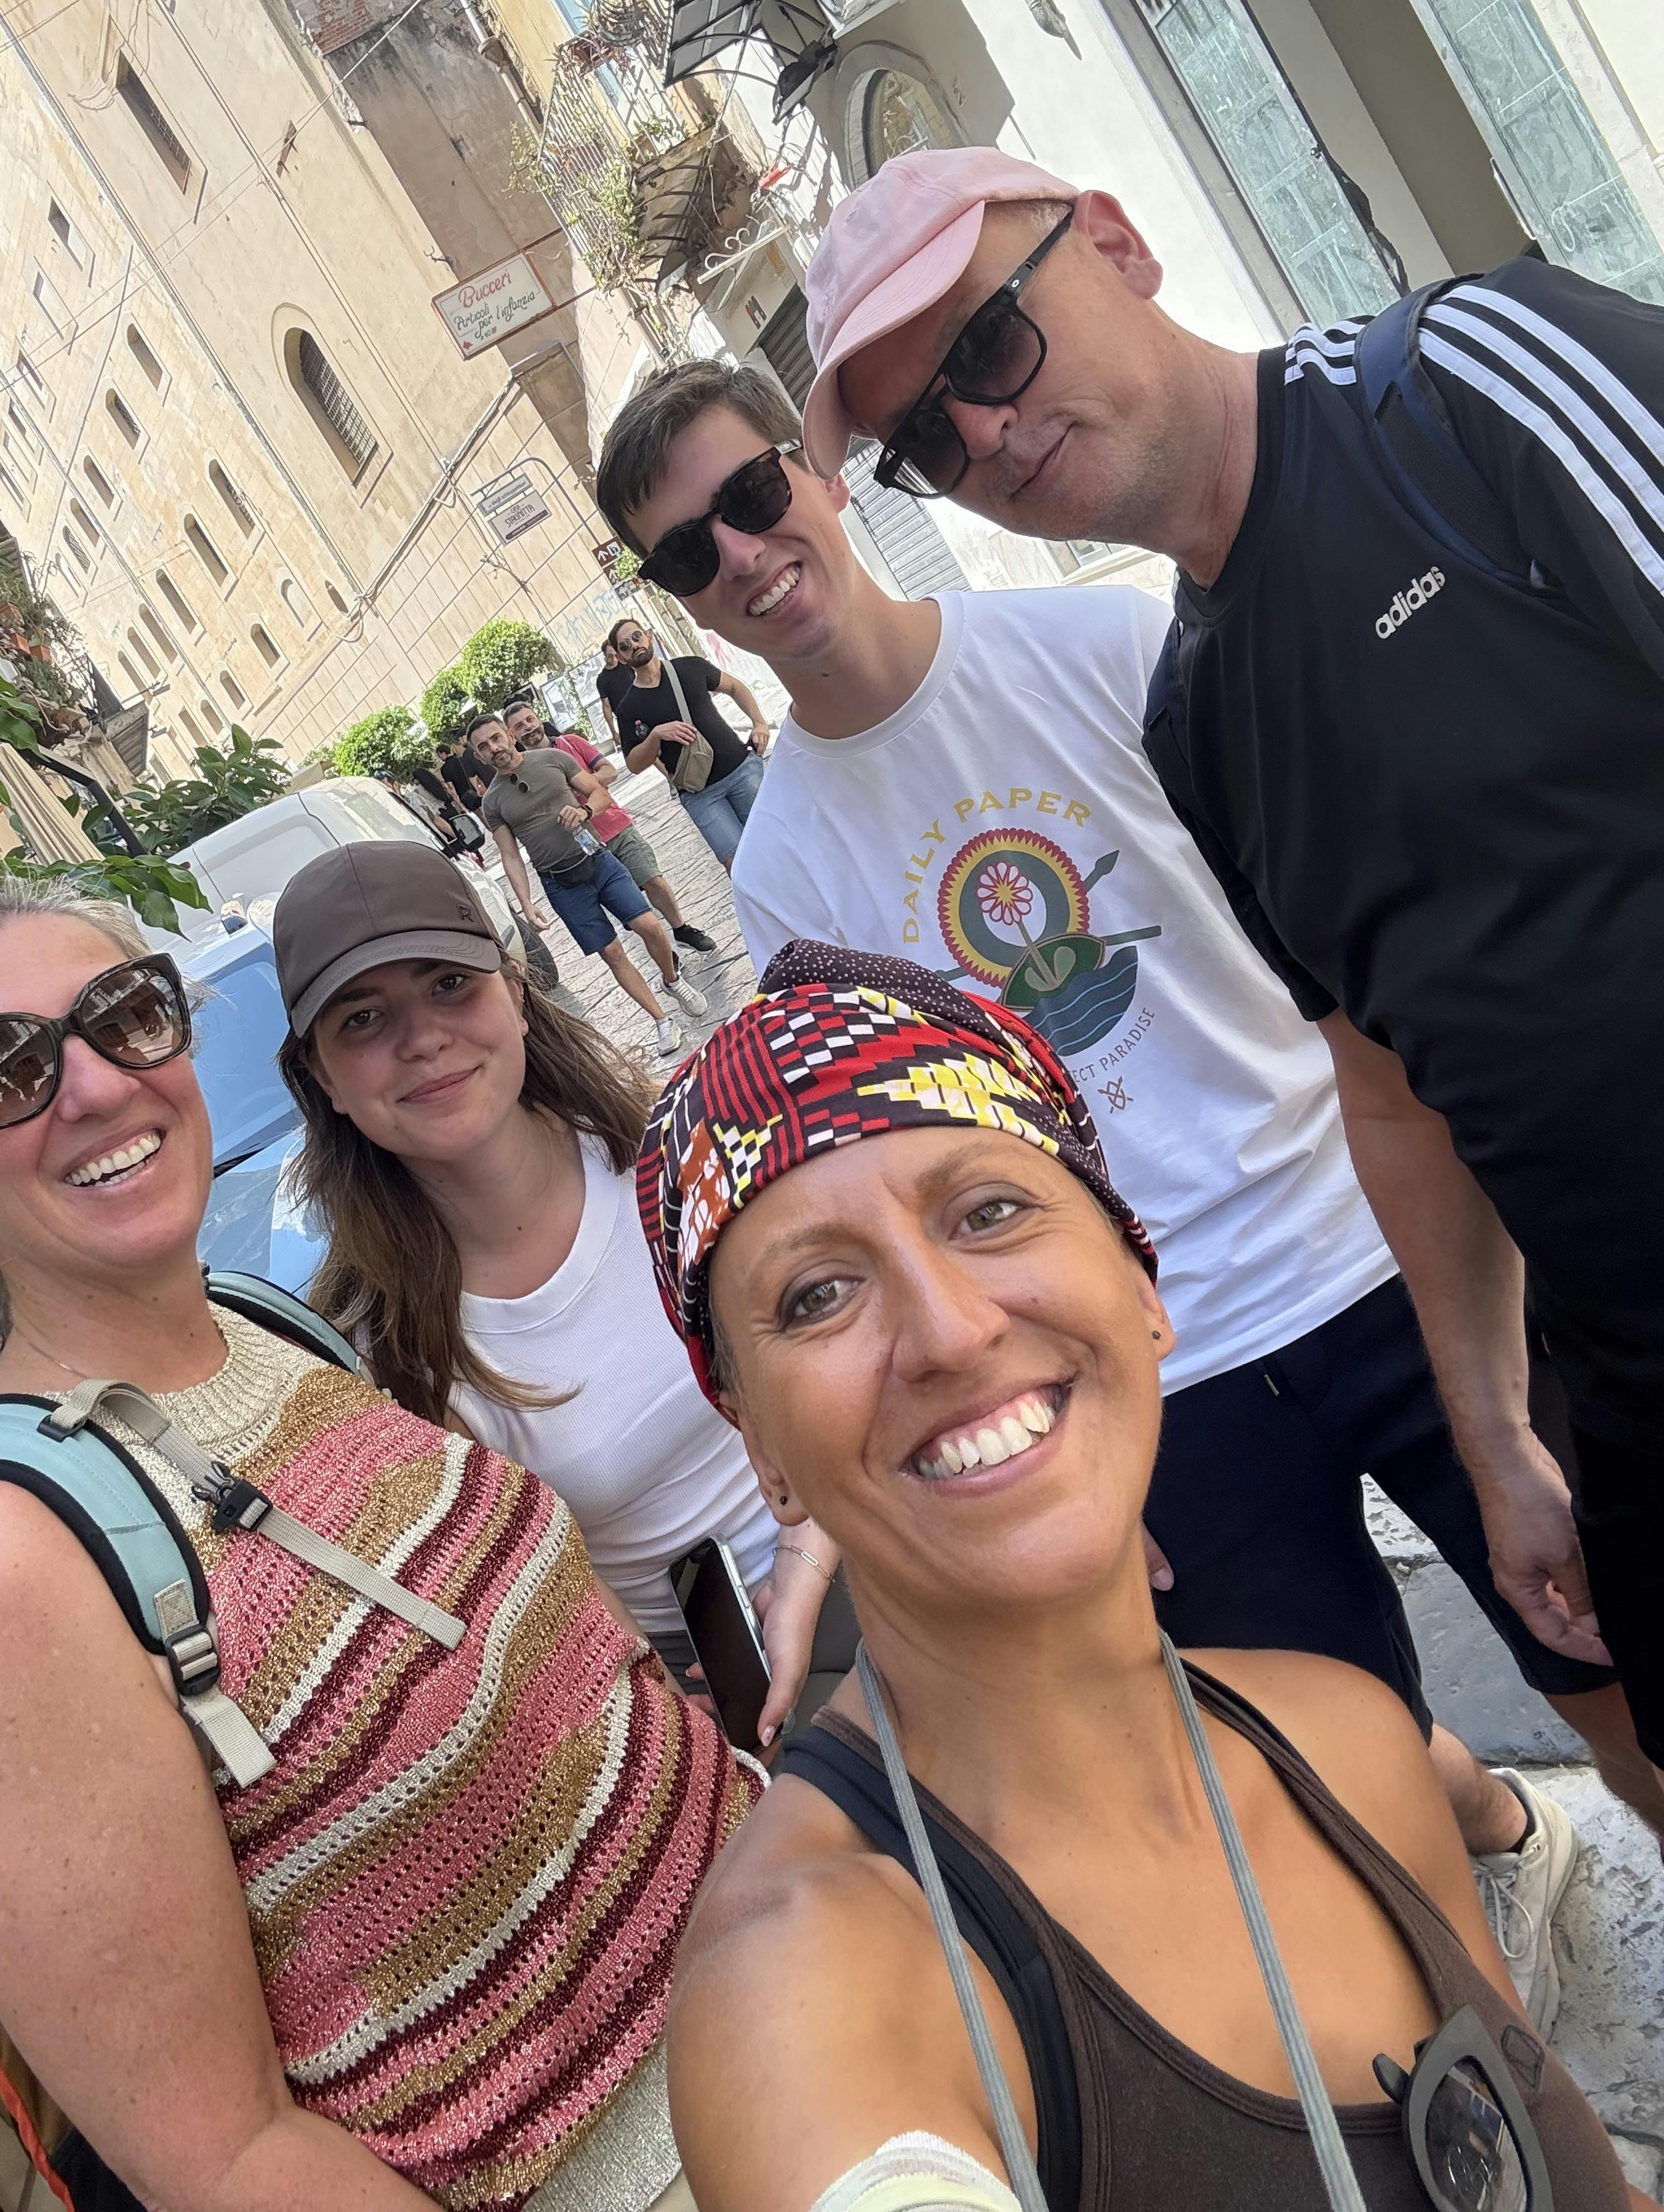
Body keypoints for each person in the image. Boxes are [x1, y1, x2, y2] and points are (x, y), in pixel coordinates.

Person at [594, 347, 1644, 2020]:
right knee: (1322, 1776)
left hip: (1376, 1246)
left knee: (1610, 1650)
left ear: (818, 473)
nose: (740, 553)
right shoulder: (783, 867)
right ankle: (1501, 1938)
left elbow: (1329, 929)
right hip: (1160, 1358)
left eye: (751, 494)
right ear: (673, 602)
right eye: (684, 552)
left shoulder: (1097, 645)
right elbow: (892, 1172)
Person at [804, 143, 1664, 1806]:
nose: (986, 434)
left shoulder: (1459, 386)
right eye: (930, 440)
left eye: (990, 346)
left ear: (1117, 242)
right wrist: (1497, 1436)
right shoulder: (1193, 718)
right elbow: (1392, 1087)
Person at [641, 946, 1637, 2212]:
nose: (949, 1329)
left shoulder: (1342, 1735)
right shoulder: (806, 1991)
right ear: (761, 1452)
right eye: (819, 1293)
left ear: (1140, 1282)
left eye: (987, 1213)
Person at [0, 876, 758, 2212]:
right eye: (1, 1068)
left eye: (124, 1015)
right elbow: (225, 2158)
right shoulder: (3, 1559)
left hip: (815, 1995)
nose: (93, 1086)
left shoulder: (271, 1326)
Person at [271, 836, 836, 1734]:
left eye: (449, 984)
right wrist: (675, 1718)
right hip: (731, 1715)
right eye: (363, 1019)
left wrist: (807, 1565)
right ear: (322, 1078)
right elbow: (541, 1600)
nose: (423, 1040)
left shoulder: (678, 1145)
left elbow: (855, 1361)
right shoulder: (383, 1355)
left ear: (516, 994)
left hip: (877, 1542)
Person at [469, 707, 707, 1055]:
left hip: (598, 859)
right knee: (612, 952)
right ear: (479, 757)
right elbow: (510, 856)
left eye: (495, 738)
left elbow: (600, 793)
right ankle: (661, 1021)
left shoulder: (552, 758)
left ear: (509, 735)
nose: (493, 748)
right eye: (484, 747)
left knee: (650, 926)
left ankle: (672, 981)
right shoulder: (492, 801)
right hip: (560, 883)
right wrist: (526, 904)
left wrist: (584, 811)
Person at [503, 692, 719, 956]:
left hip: (614, 825)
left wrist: (583, 783)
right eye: (519, 726)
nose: (528, 728)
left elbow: (609, 771)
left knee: (652, 879)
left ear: (539, 719)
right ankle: (664, 952)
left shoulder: (571, 743)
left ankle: (681, 929)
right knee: (629, 906)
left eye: (530, 720)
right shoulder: (520, 773)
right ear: (511, 735)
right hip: (583, 846)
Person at [608, 613, 773, 869]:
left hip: (742, 771)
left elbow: (735, 687)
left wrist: (759, 723)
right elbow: (634, 764)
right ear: (620, 657)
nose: (634, 645)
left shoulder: (690, 667)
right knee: (739, 866)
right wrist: (656, 735)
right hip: (701, 795)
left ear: (649, 636)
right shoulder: (628, 708)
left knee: (776, 841)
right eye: (625, 646)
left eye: (637, 637)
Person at [594, 633, 639, 753]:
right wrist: (613, 732)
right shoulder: (602, 680)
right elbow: (606, 706)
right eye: (610, 656)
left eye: (615, 655)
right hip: (625, 718)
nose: (614, 659)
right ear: (604, 657)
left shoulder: (626, 665)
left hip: (641, 707)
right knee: (638, 749)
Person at [437, 732, 489, 817]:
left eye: (439, 755)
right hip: (474, 789)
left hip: (464, 795)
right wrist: (478, 788)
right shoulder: (461, 759)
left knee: (480, 816)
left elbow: (451, 787)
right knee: (489, 808)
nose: (439, 757)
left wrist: (459, 804)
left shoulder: (444, 769)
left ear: (443, 753)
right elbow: (472, 774)